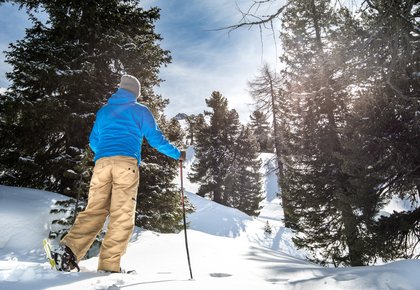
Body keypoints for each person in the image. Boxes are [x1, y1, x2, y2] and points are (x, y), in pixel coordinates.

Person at [58, 75, 186, 273]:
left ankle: (69, 252)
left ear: (120, 89)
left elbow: (94, 141)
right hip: (126, 165)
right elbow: (155, 139)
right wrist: (178, 154)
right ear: (135, 92)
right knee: (122, 216)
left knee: (94, 210)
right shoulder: (140, 111)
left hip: (101, 164)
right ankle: (109, 266)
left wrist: (105, 153)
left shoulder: (104, 112)